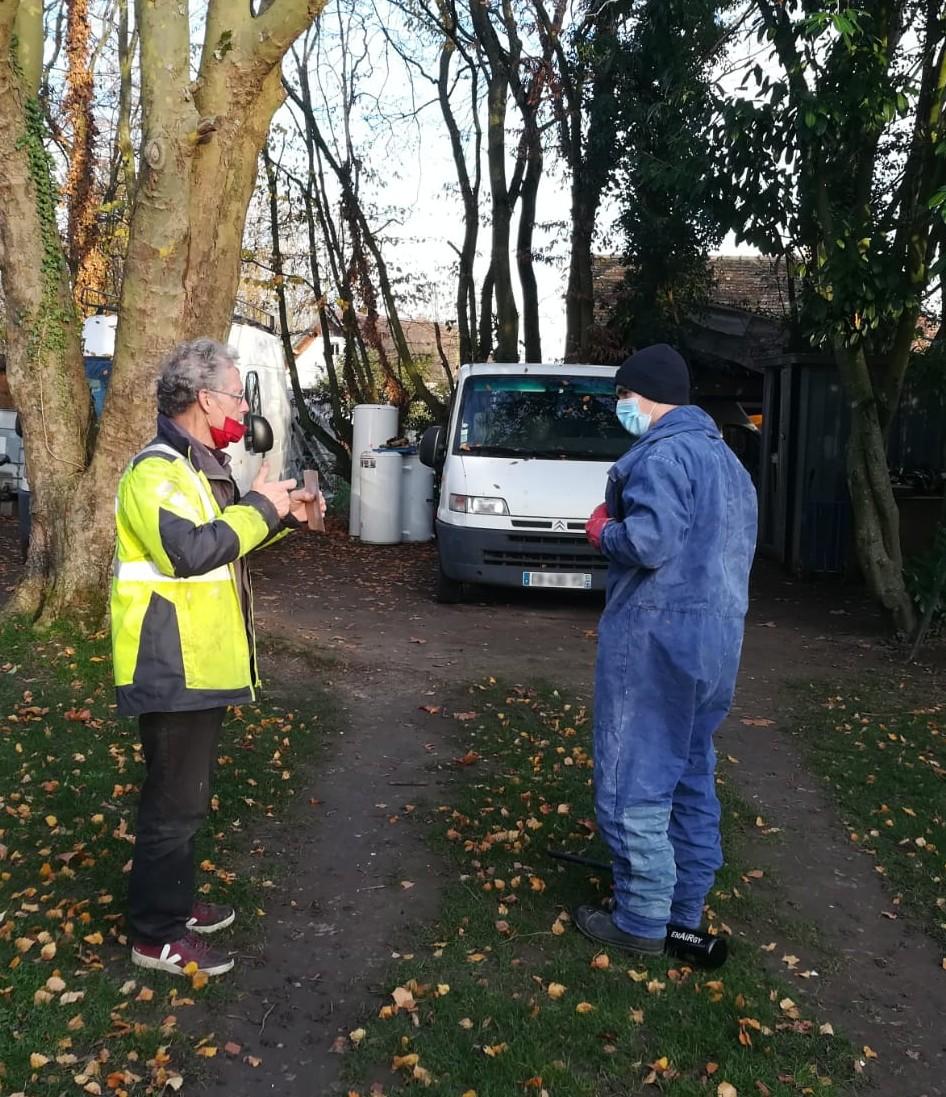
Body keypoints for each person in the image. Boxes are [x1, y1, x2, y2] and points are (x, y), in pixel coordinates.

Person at [111, 338, 319, 978]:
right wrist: (262, 508)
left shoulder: (199, 466)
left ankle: (173, 903)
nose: (241, 406)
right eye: (235, 393)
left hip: (197, 665)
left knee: (187, 797)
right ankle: (156, 935)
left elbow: (227, 533)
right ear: (205, 398)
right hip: (169, 666)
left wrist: (279, 513)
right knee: (172, 805)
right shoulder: (157, 470)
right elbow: (190, 552)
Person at [575, 343, 757, 956]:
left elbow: (650, 543)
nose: (620, 406)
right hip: (717, 644)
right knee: (690, 772)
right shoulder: (730, 464)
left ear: (645, 395)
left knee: (635, 779)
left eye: (623, 396)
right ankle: (685, 908)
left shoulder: (660, 455)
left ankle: (642, 920)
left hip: (656, 641)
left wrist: (603, 529)